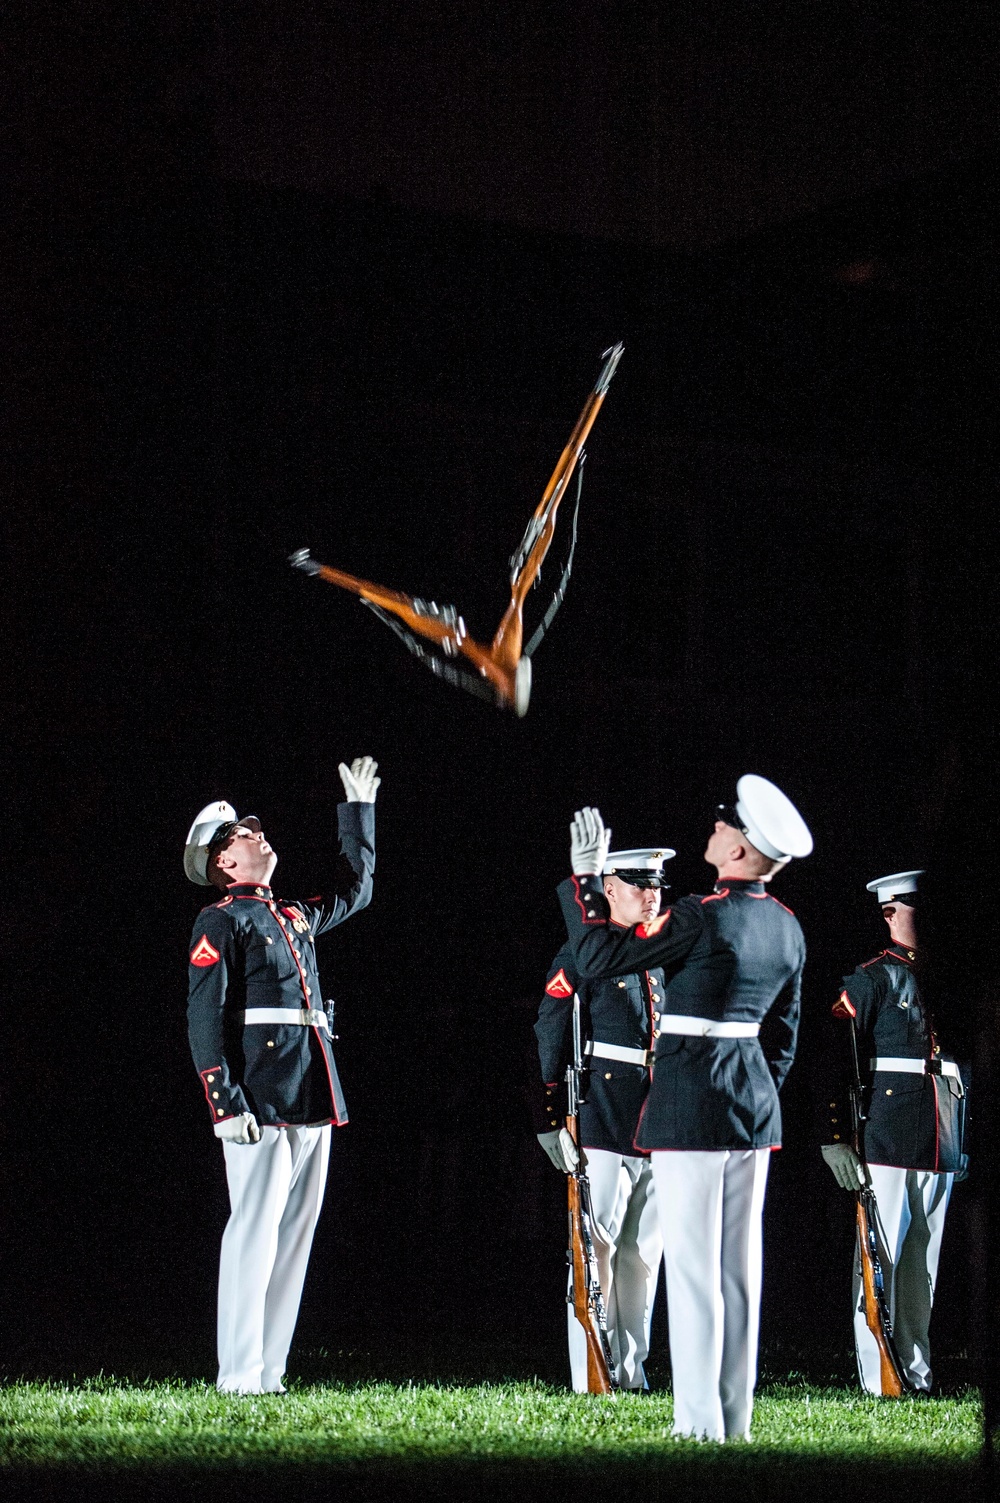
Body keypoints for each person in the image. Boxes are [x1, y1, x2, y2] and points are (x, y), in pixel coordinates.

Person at [556, 776, 812, 1441]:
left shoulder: (703, 913)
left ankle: (700, 1423)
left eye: (726, 822)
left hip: (692, 1102)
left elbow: (600, 954)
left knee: (697, 1271)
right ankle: (734, 1417)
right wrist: (754, 1090)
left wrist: (585, 883)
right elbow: (782, 1037)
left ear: (742, 848)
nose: (716, 825)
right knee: (738, 1271)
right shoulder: (786, 926)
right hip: (751, 1106)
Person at [183, 756, 379, 1394]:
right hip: (260, 1094)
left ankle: (269, 1371)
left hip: (310, 1086)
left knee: (295, 1232)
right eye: (243, 833)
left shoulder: (292, 916)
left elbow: (358, 889)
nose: (257, 834)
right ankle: (238, 1373)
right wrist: (223, 1100)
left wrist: (358, 816)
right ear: (223, 863)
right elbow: (203, 1017)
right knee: (253, 1229)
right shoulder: (221, 920)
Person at [820, 870, 967, 1395]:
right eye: (912, 906)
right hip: (887, 1134)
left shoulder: (950, 979)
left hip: (940, 1135)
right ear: (889, 913)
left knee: (922, 1265)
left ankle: (917, 1371)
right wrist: (835, 1134)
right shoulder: (871, 978)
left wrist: (961, 1135)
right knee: (880, 1255)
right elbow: (837, 1058)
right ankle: (878, 1372)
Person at [535, 847, 674, 1392]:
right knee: (596, 1244)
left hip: (657, 1116)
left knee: (644, 1251)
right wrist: (553, 1116)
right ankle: (590, 1369)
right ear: (608, 889)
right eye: (639, 883)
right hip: (603, 1109)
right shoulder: (583, 953)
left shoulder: (663, 954)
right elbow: (552, 1026)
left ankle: (631, 1369)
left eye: (657, 883)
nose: (653, 893)